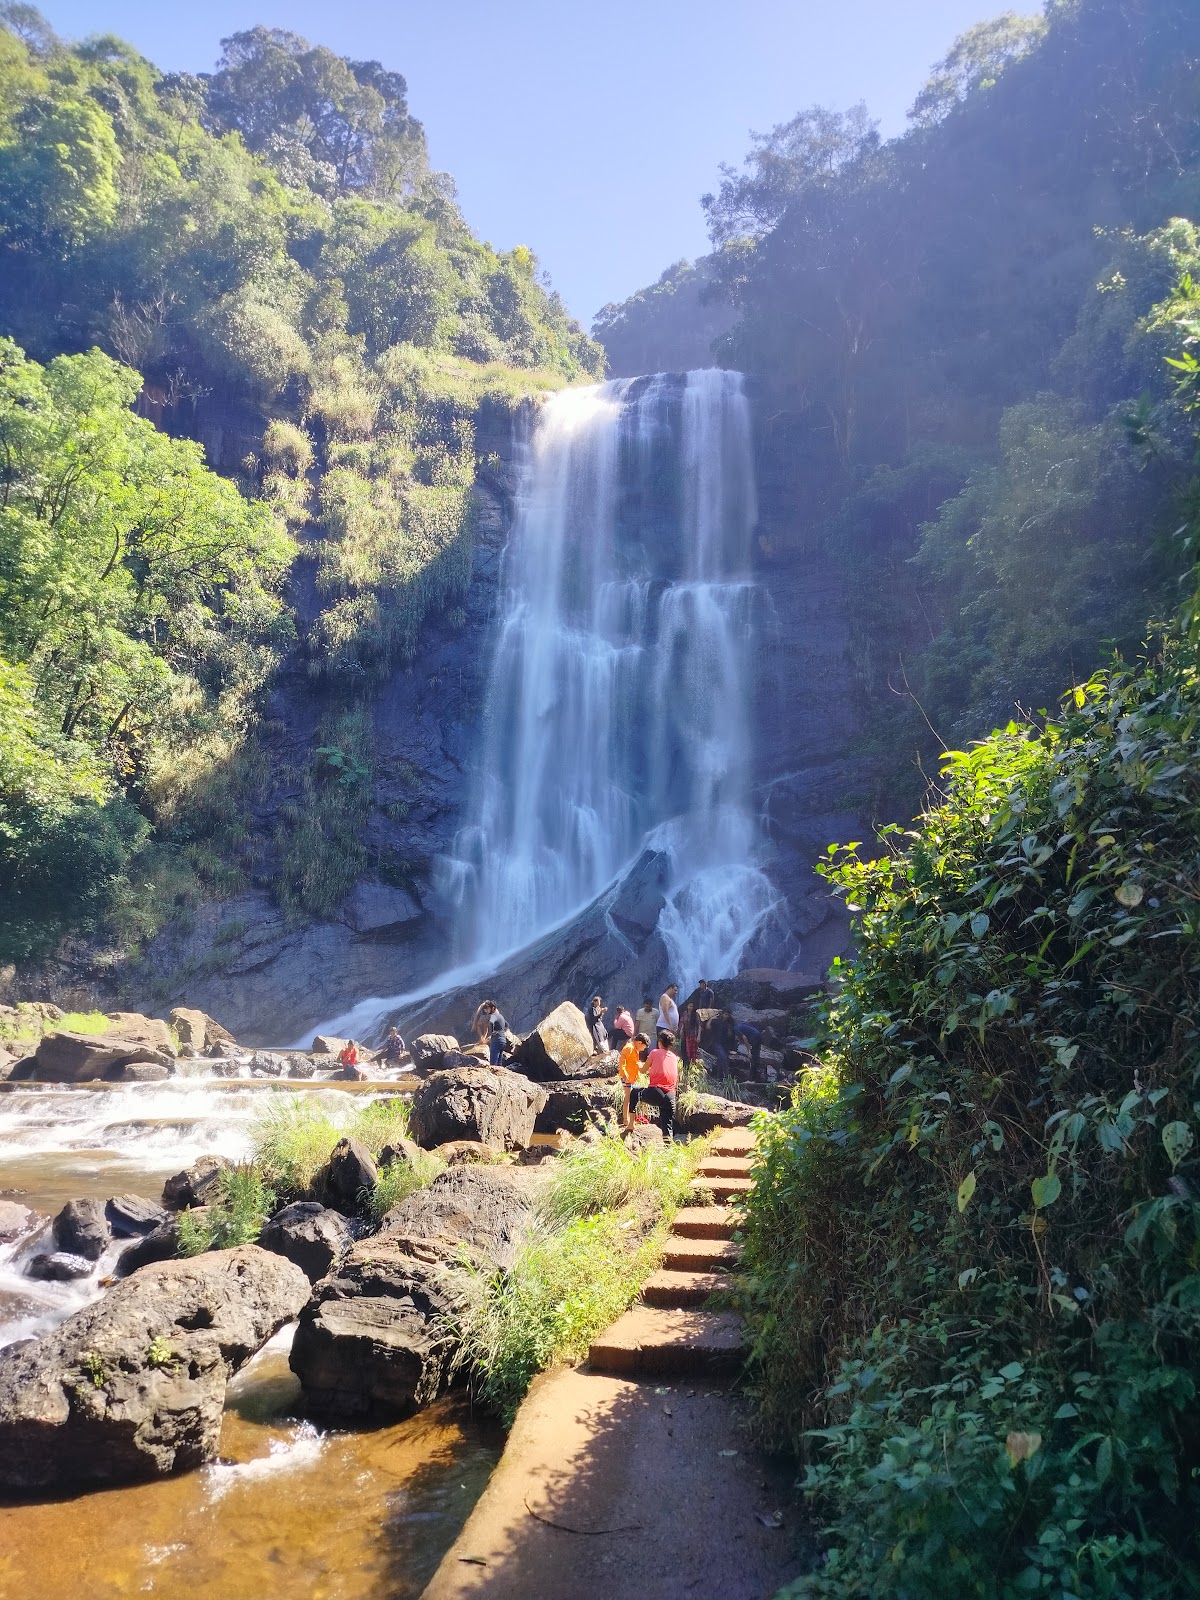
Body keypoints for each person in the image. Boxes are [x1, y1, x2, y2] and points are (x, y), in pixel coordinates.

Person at [632, 1029, 680, 1140]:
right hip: (671, 1096)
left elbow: (643, 1070)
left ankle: (630, 1123)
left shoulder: (654, 1052)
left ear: (659, 1041)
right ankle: (669, 1153)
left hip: (657, 1092)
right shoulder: (673, 1057)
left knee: (634, 1092)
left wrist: (636, 1063)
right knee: (667, 1128)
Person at [618, 1031, 648, 1129]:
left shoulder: (634, 1049)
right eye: (644, 1047)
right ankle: (625, 1120)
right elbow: (622, 1061)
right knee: (628, 1098)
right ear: (639, 1043)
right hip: (626, 1077)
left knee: (629, 1098)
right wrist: (624, 1073)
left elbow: (634, 1062)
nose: (643, 1049)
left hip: (631, 1077)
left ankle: (627, 1119)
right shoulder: (629, 1048)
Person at [485, 1001, 508, 1066]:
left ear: (493, 1008)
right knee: (499, 1063)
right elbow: (507, 1025)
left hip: (496, 1041)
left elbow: (491, 1022)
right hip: (503, 1041)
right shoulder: (501, 1016)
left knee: (493, 1063)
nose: (486, 1010)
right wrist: (502, 1032)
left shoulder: (493, 1015)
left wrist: (492, 1032)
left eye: (487, 1008)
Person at [680, 1000, 702, 1067]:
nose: (691, 1008)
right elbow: (683, 1022)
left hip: (693, 1036)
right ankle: (685, 1066)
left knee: (692, 1052)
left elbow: (699, 1026)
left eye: (692, 1006)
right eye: (689, 1006)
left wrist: (698, 1036)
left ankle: (692, 1067)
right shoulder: (685, 1013)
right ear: (687, 1006)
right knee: (685, 1051)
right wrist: (681, 1030)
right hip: (686, 1035)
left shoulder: (696, 1015)